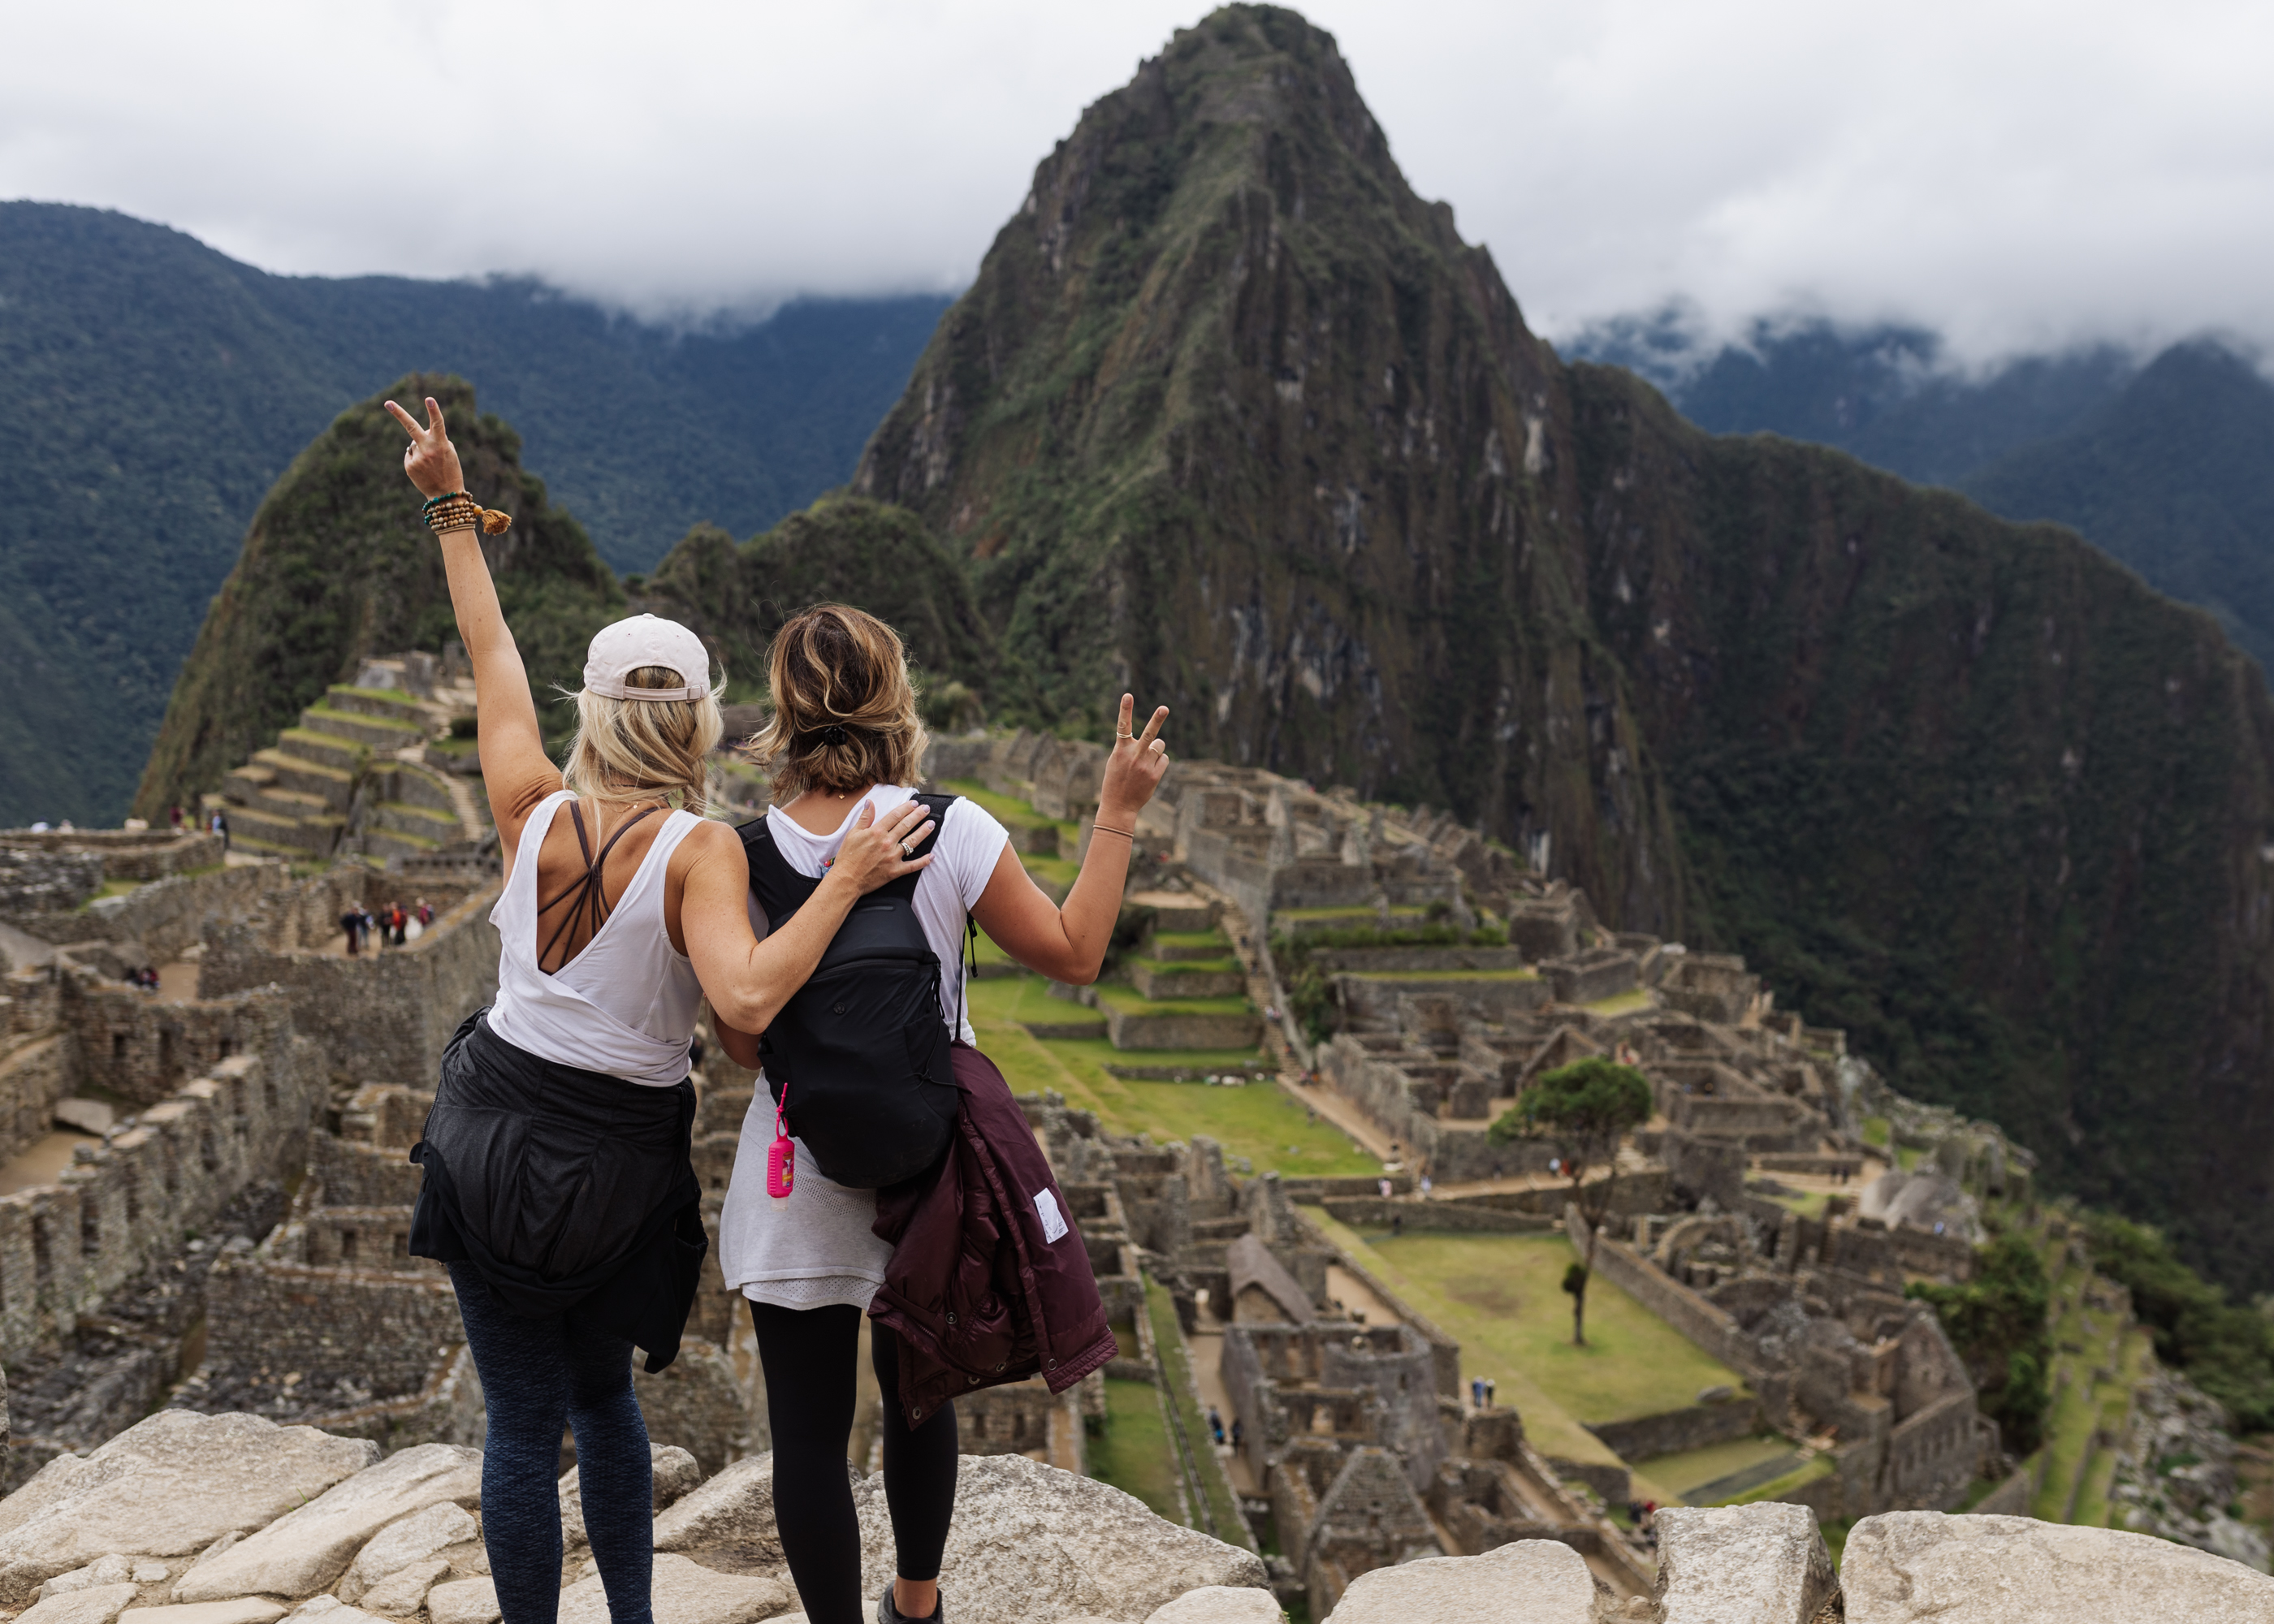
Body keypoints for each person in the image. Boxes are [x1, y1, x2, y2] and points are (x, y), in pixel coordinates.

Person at [387, 396, 939, 1624]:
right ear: (697, 720)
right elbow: (742, 998)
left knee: (520, 1427)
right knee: (604, 1407)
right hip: (614, 1167)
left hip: (482, 1133)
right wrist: (846, 878)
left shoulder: (527, 802)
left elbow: (491, 658)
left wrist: (448, 504)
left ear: (594, 714)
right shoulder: (703, 853)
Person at [713, 602, 1169, 1624]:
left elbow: (742, 1038)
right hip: (929, 1167)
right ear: (895, 698)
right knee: (918, 1395)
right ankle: (915, 1607)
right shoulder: (946, 823)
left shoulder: (740, 852)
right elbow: (1074, 952)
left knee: (807, 1432)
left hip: (796, 1171)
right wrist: (1118, 810)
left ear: (783, 712)